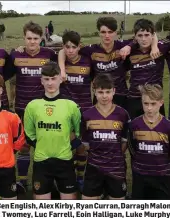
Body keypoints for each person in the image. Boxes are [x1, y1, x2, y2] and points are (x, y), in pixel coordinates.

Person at [9, 21, 58, 194]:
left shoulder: (49, 54)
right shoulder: (15, 55)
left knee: (45, 146)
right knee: (23, 145)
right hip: (22, 108)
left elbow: (61, 64)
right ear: (24, 38)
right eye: (28, 38)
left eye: (35, 38)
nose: (32, 42)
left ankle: (48, 180)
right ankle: (22, 181)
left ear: (41, 39)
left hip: (44, 108)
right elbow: (6, 74)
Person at [24, 62, 82, 200]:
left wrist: (69, 146)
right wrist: (40, 145)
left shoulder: (71, 105)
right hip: (41, 161)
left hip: (65, 160)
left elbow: (79, 132)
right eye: (47, 79)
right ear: (41, 81)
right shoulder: (32, 106)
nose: (50, 83)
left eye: (54, 78)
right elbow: (28, 133)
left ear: (60, 79)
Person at [56, 17, 140, 110]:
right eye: (103, 32)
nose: (107, 35)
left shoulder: (122, 45)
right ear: (99, 33)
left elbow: (141, 38)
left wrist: (128, 47)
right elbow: (63, 51)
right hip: (99, 96)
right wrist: (62, 70)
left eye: (110, 32)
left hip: (120, 96)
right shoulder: (91, 50)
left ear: (115, 33)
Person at [80, 73, 130, 200]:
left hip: (116, 168)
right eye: (100, 92)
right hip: (94, 167)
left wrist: (114, 156)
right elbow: (85, 144)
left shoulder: (123, 114)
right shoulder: (87, 115)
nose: (104, 96)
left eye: (108, 92)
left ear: (114, 91)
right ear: (94, 92)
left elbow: (124, 142)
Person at [127, 84, 170, 200]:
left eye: (153, 104)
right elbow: (132, 148)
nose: (149, 108)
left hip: (163, 176)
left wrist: (164, 165)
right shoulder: (135, 124)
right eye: (146, 104)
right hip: (141, 175)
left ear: (161, 102)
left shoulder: (169, 127)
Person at [58, 30, 93, 188]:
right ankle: (69, 178)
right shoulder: (60, 62)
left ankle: (80, 178)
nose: (70, 50)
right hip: (65, 112)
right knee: (68, 147)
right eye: (67, 47)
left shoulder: (87, 61)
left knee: (82, 147)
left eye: (73, 47)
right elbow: (59, 53)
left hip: (85, 110)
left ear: (79, 46)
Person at [125, 19, 167, 119]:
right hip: (134, 99)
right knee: (134, 131)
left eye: (147, 35)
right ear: (135, 37)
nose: (143, 39)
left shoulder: (161, 49)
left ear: (153, 35)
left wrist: (155, 45)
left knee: (158, 131)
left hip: (154, 99)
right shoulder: (130, 51)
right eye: (140, 35)